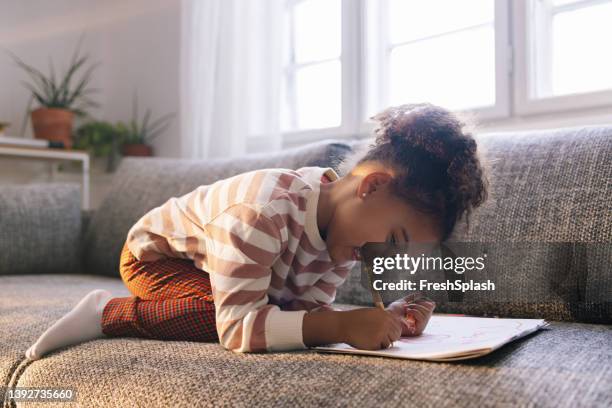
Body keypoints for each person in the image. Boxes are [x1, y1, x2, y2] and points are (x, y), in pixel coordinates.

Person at [25, 103, 488, 360]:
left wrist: (391, 320)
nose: (382, 256)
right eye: (395, 240)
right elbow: (240, 329)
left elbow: (301, 315)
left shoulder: (346, 238)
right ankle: (109, 313)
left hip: (235, 271)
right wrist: (344, 325)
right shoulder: (262, 212)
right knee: (216, 315)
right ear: (372, 185)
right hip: (160, 260)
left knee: (273, 314)